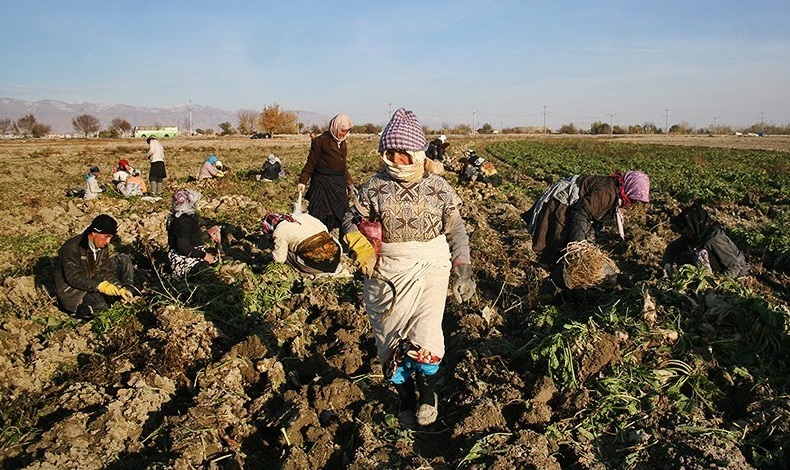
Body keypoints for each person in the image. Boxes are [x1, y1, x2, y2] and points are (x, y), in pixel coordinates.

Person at [342, 108, 476, 429]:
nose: (397, 159)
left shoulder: (439, 188)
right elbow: (350, 220)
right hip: (386, 269)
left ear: (417, 153)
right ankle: (404, 394)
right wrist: (360, 245)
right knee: (388, 340)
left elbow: (455, 229)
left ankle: (427, 391)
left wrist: (464, 268)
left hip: (430, 264)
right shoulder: (373, 187)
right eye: (390, 153)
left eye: (403, 153)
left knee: (426, 334)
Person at [524, 170, 651, 269]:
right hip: (561, 204)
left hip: (577, 208)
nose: (633, 203)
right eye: (634, 199)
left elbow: (595, 220)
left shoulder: (615, 194)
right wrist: (579, 245)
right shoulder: (606, 194)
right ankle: (540, 270)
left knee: (573, 242)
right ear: (629, 188)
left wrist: (590, 246)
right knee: (555, 240)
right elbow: (580, 212)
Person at [54, 214, 134, 319]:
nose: (108, 242)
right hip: (75, 291)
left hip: (92, 280)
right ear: (94, 233)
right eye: (106, 237)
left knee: (123, 259)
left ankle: (127, 295)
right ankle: (78, 309)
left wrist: (119, 288)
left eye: (110, 237)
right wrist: (100, 286)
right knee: (101, 309)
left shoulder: (101, 245)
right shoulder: (71, 248)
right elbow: (73, 278)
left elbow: (105, 271)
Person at [297, 113, 354, 233]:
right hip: (322, 183)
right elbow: (311, 162)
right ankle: (318, 238)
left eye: (346, 131)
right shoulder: (320, 141)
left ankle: (340, 239)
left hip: (337, 183)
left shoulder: (342, 143)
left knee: (341, 212)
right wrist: (302, 181)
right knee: (320, 213)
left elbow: (342, 166)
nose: (343, 134)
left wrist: (349, 182)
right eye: (342, 131)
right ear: (335, 127)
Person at [661, 202, 750, 277]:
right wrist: (667, 264)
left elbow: (733, 266)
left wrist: (718, 283)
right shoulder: (694, 236)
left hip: (737, 274)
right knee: (683, 256)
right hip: (719, 271)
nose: (684, 233)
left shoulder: (714, 240)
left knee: (699, 253)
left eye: (686, 229)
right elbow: (672, 248)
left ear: (694, 225)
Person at [261, 212, 345, 276]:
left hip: (318, 266)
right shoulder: (304, 216)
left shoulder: (279, 231)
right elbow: (325, 230)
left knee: (285, 252)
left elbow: (279, 259)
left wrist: (268, 261)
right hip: (336, 256)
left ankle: (309, 270)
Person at [166, 189, 220, 278]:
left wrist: (208, 234)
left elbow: (189, 238)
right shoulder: (184, 223)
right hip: (185, 264)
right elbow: (183, 247)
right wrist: (205, 256)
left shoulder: (175, 218)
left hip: (178, 260)